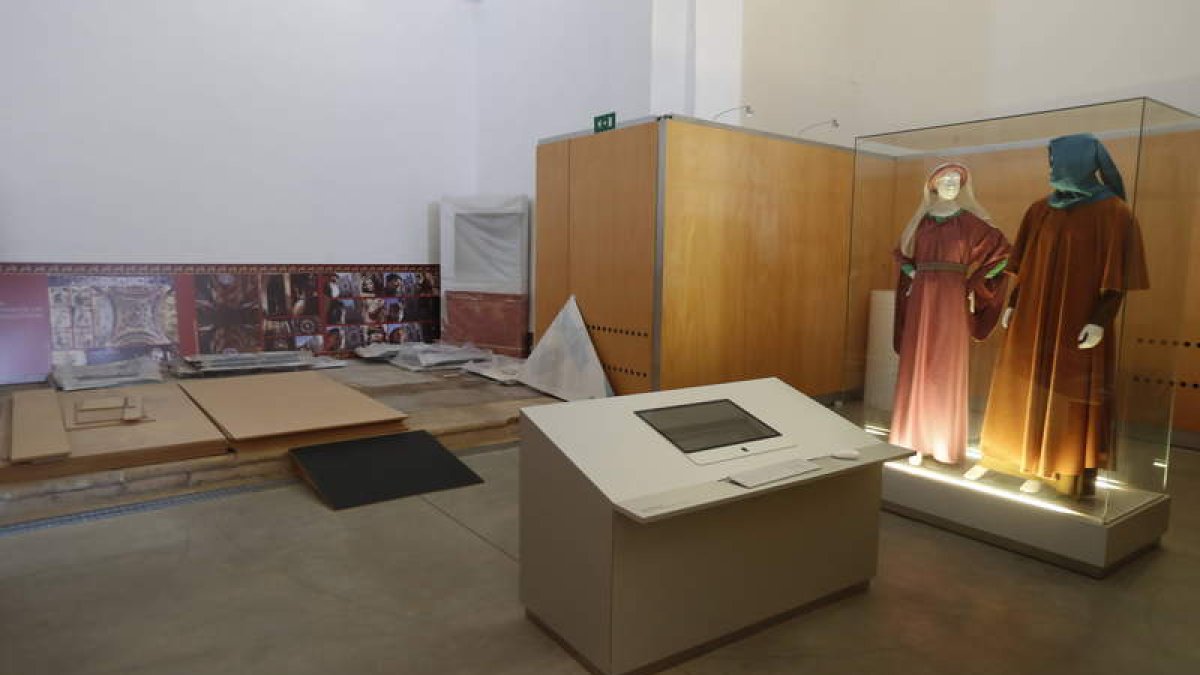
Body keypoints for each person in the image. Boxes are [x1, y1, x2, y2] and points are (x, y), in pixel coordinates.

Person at [891, 162, 1011, 466]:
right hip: (922, 297)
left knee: (945, 364)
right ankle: (912, 439)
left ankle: (942, 441)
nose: (950, 182)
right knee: (918, 361)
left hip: (951, 296)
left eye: (956, 179)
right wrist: (912, 273)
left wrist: (972, 284)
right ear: (931, 184)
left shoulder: (971, 223)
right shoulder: (921, 221)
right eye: (944, 178)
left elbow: (1004, 254)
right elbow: (902, 254)